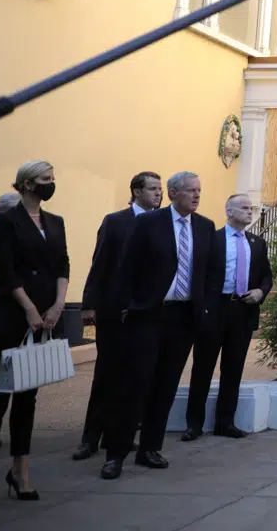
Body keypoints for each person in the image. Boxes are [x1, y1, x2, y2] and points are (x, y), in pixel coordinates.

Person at [100, 172, 214, 480]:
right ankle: (116, 454)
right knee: (135, 384)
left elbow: (209, 273)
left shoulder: (204, 227)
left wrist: (204, 307)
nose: (196, 195)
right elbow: (127, 267)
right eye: (191, 190)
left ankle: (149, 448)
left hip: (183, 318)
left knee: (165, 386)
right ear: (173, 192)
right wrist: (127, 306)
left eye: (199, 191)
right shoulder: (150, 223)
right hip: (149, 316)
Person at [0, 161, 69, 509]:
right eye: (45, 180)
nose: (50, 185)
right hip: (13, 316)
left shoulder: (55, 221)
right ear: (27, 184)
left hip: (46, 316)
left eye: (53, 180)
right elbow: (6, 268)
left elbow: (63, 265)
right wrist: (29, 308)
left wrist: (58, 305)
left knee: (28, 398)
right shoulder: (5, 221)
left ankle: (21, 471)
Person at [74, 172, 162, 460]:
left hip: (145, 312)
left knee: (136, 377)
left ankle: (120, 435)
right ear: (136, 192)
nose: (158, 194)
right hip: (113, 311)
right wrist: (89, 304)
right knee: (107, 374)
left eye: (160, 189)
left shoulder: (162, 224)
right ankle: (91, 437)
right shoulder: (115, 222)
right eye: (152, 189)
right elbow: (99, 263)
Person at [183, 194, 272, 440]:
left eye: (250, 208)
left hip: (242, 311)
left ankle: (225, 422)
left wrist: (261, 292)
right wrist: (201, 308)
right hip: (214, 310)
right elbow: (198, 275)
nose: (249, 211)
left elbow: (267, 275)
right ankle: (194, 424)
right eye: (243, 207)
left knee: (233, 369)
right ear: (229, 211)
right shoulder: (213, 240)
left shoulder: (257, 242)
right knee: (203, 368)